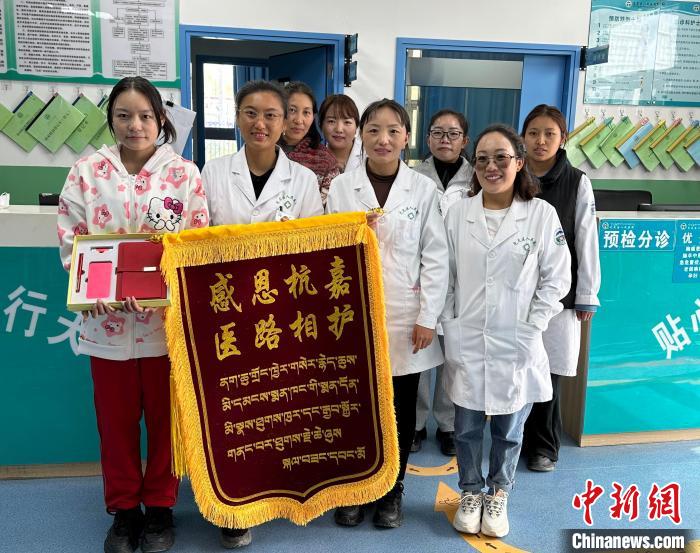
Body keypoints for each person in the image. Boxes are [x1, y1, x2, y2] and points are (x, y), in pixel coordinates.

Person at [58, 76, 209, 553]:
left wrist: (168, 290)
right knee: (116, 425)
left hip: (164, 329)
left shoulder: (183, 175)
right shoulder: (87, 172)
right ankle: (124, 511)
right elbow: (71, 239)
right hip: (105, 327)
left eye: (145, 116)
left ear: (160, 120)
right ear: (111, 120)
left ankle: (161, 508)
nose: (135, 125)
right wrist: (91, 287)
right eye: (123, 116)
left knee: (165, 423)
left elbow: (195, 243)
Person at [201, 79, 323, 548]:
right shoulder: (212, 173)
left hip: (280, 313)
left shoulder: (304, 181)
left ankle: (273, 493)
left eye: (272, 114)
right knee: (231, 409)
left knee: (276, 406)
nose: (261, 123)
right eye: (251, 113)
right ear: (237, 117)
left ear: (286, 121)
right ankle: (234, 506)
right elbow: (197, 242)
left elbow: (313, 250)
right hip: (226, 313)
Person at [442, 124, 570, 538]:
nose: (491, 166)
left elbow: (557, 278)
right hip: (468, 336)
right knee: (466, 428)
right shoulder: (458, 213)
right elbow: (444, 276)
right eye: (482, 159)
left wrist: (534, 324)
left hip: (518, 339)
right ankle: (470, 491)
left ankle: (499, 493)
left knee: (509, 430)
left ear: (519, 162)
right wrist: (448, 321)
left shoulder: (540, 214)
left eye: (501, 157)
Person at [326, 99, 448, 529]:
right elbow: (327, 252)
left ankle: (391, 491)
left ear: (406, 137)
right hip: (353, 314)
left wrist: (428, 317)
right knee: (356, 406)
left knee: (399, 407)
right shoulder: (342, 188)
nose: (383, 139)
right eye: (374, 130)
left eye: (393, 130)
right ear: (362, 135)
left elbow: (436, 257)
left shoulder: (423, 190)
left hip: (404, 315)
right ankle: (356, 489)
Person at [520, 105, 601, 472]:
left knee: (549, 371)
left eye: (549, 134)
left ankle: (544, 447)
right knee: (519, 367)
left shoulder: (577, 181)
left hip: (559, 294)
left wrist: (587, 294)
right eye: (533, 133)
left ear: (563, 138)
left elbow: (586, 239)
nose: (541, 141)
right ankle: (515, 440)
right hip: (518, 290)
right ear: (523, 137)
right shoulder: (512, 173)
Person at [411, 109, 473, 456]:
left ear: (465, 140)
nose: (445, 140)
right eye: (437, 132)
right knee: (419, 354)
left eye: (453, 134)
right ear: (428, 138)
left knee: (454, 355)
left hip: (464, 281)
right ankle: (416, 423)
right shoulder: (412, 178)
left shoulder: (477, 178)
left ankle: (447, 424)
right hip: (420, 277)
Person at [278, 81, 340, 205]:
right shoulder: (266, 151)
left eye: (306, 112)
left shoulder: (326, 161)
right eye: (292, 110)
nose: (299, 120)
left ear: (313, 117)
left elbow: (330, 209)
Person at [319, 93, 363, 173]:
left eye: (347, 122)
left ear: (356, 126)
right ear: (321, 125)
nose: (339, 129)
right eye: (331, 121)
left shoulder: (369, 157)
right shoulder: (313, 160)